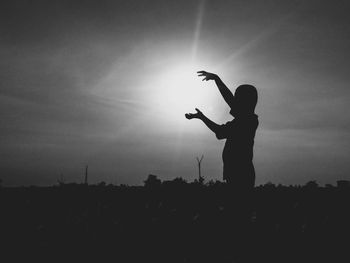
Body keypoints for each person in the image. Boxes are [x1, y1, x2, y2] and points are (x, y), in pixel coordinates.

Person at [185, 71, 259, 192]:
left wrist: (202, 117)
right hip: (237, 173)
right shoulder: (245, 120)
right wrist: (216, 79)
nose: (234, 100)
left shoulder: (246, 122)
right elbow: (230, 100)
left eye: (237, 97)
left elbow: (219, 132)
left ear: (244, 101)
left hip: (240, 175)